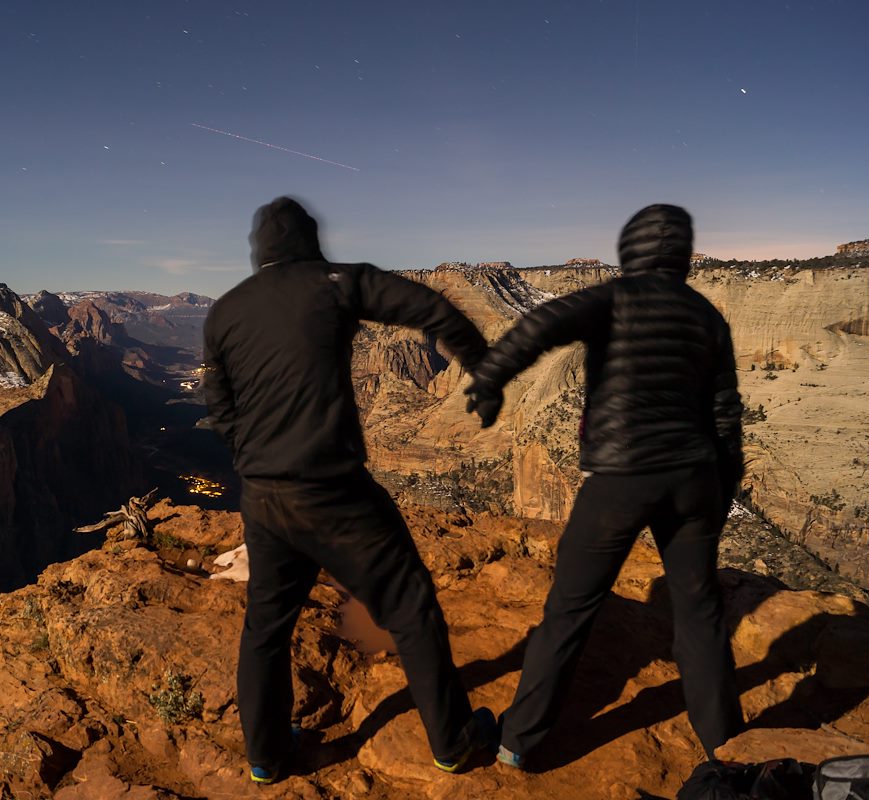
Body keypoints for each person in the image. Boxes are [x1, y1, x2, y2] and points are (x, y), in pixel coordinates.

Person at [202, 196, 495, 784]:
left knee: (266, 628)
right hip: (334, 492)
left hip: (263, 496)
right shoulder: (336, 282)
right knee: (409, 604)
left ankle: (265, 757)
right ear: (309, 242)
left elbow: (219, 404)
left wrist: (253, 460)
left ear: (260, 250)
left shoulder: (225, 311)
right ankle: (452, 742)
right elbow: (430, 307)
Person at [464, 204, 745, 769]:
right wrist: (721, 488)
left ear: (630, 249)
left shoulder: (613, 298)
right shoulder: (706, 316)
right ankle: (728, 749)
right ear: (683, 254)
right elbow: (724, 414)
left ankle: (519, 740)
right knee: (700, 613)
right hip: (694, 479)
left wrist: (492, 378)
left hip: (620, 478)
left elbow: (539, 326)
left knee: (571, 608)